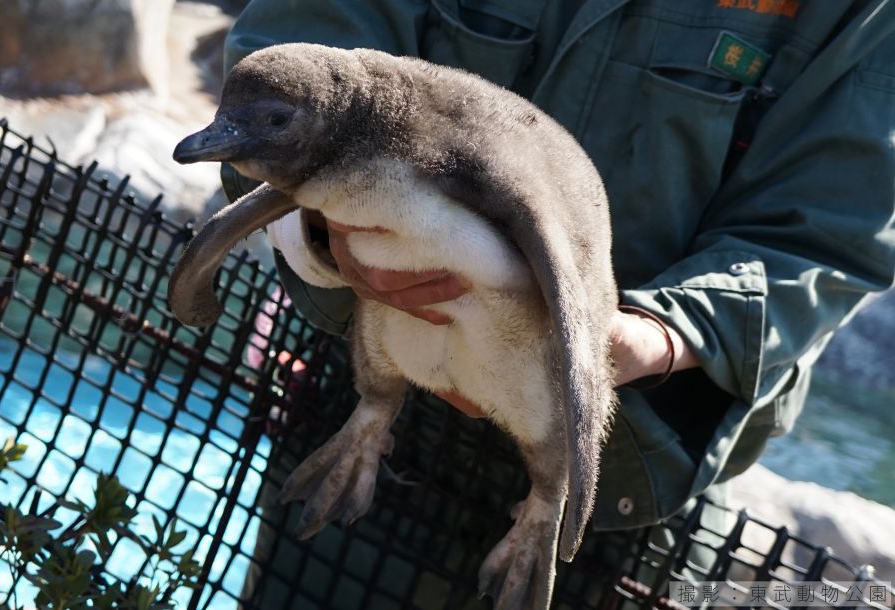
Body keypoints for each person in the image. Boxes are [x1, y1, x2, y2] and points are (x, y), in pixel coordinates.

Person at [217, 1, 895, 608]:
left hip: (633, 470)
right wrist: (326, 231)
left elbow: (824, 232)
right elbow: (298, 52)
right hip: (362, 425)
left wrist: (647, 339)